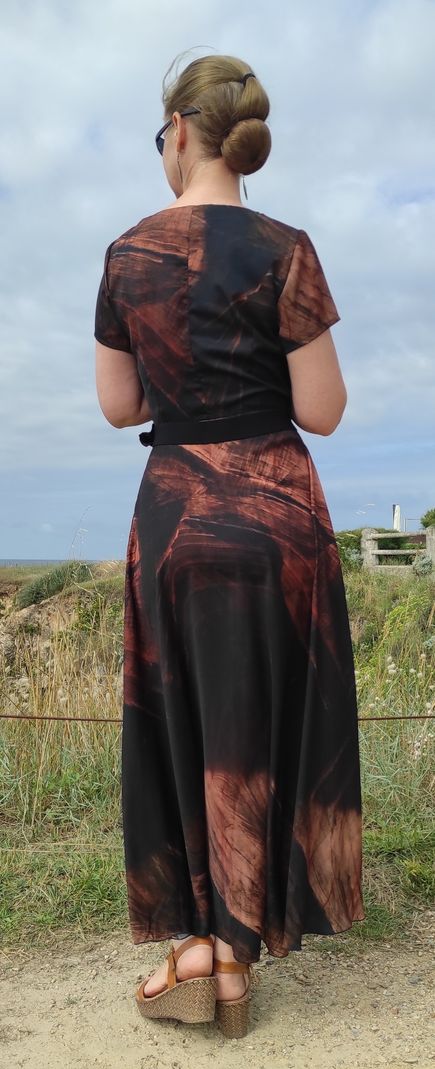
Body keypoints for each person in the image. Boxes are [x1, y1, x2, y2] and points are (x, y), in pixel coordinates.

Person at [94, 51, 365, 1039]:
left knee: (189, 721)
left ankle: (205, 945)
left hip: (175, 515)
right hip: (277, 512)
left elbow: (118, 404)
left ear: (177, 131)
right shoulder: (286, 249)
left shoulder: (127, 254)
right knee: (266, 717)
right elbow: (322, 409)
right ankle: (240, 946)